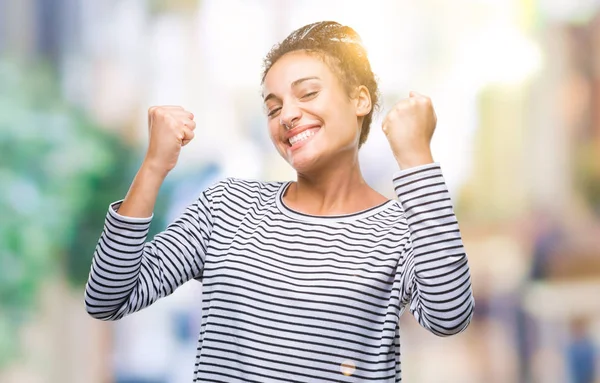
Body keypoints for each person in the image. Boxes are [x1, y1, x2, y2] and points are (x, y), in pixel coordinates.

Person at [85, 21, 474, 382]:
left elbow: (449, 316)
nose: (287, 114)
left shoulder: (402, 230)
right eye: (273, 107)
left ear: (360, 100)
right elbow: (108, 296)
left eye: (308, 93)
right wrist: (153, 166)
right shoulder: (226, 207)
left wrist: (416, 158)